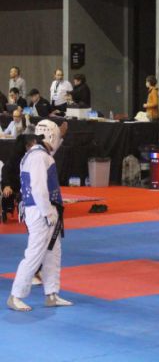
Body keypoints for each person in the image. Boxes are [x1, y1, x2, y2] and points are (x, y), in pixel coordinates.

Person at [7, 120, 73, 311]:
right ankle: (16, 295)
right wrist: (47, 211)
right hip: (40, 210)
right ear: (50, 135)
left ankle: (51, 293)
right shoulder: (38, 157)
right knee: (35, 253)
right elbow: (38, 188)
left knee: (53, 253)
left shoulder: (40, 154)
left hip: (45, 209)